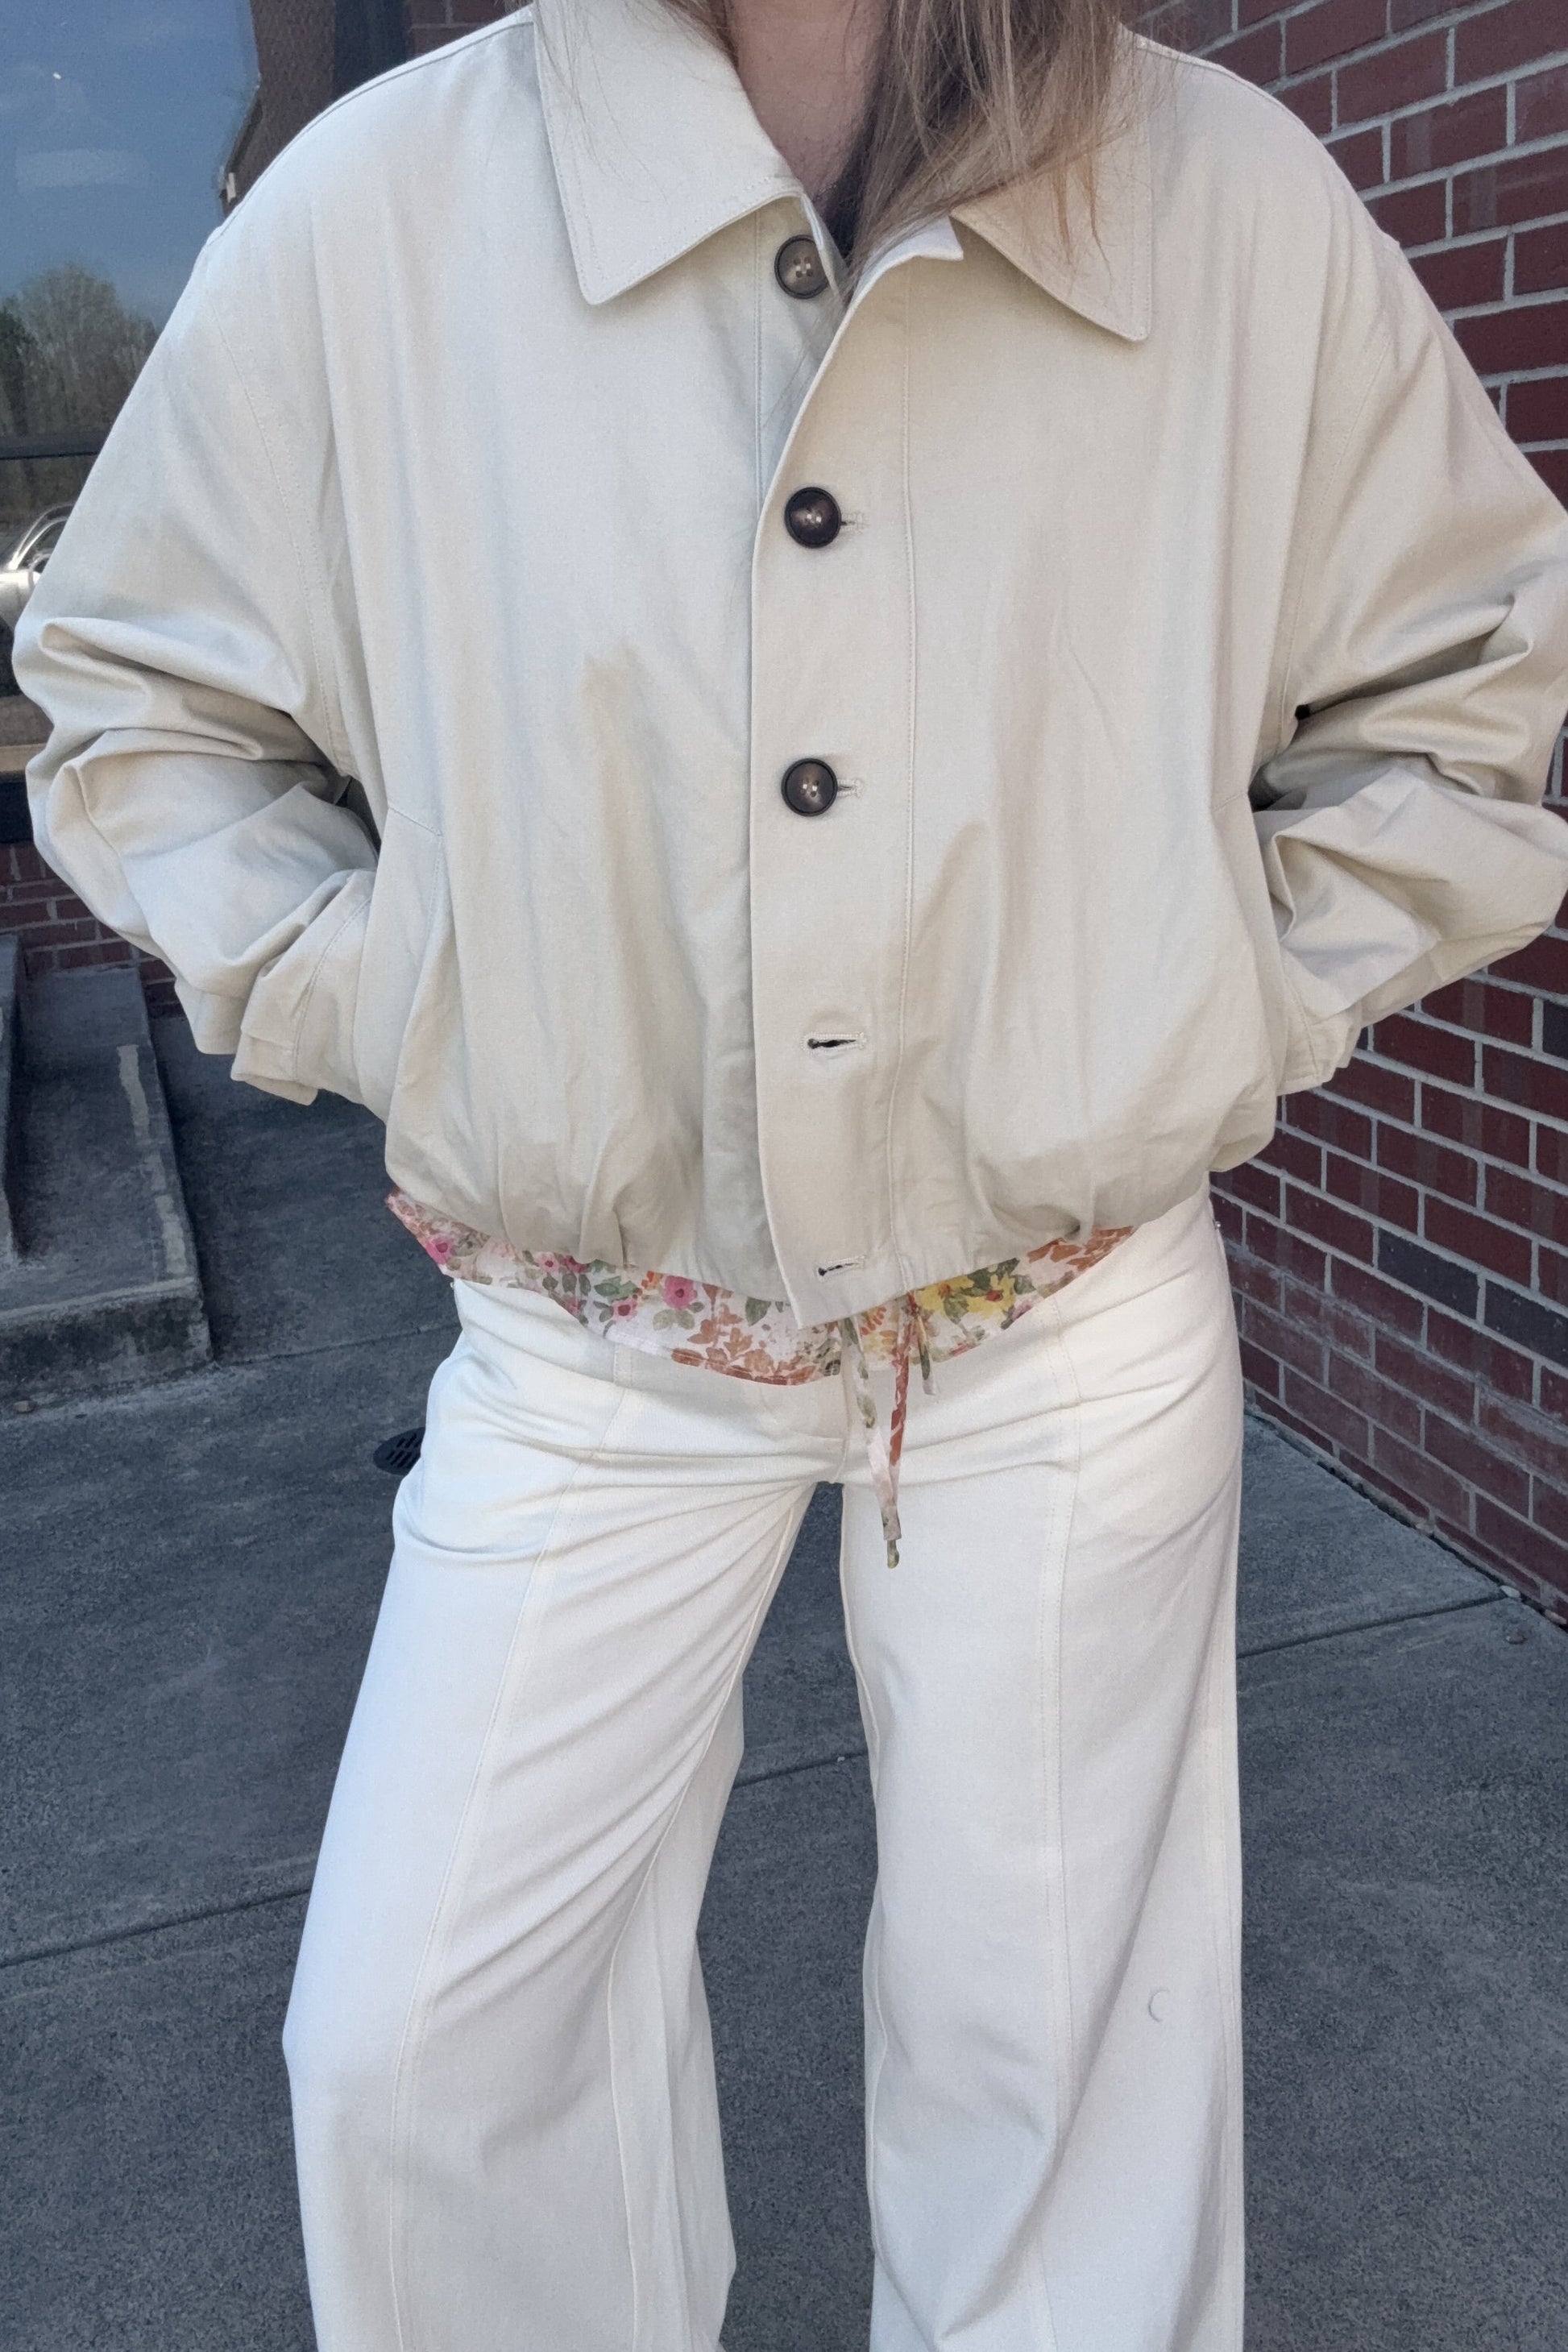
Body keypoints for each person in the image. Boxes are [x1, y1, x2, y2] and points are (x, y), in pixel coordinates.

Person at [16, 0, 1568, 2338]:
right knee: (418, 2055)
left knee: (1062, 2069)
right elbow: (141, 698)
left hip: (1058, 1308)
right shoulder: (388, 194)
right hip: (589, 1321)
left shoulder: (1212, 182)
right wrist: (399, 998)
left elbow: (1461, 688)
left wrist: (1194, 1007)